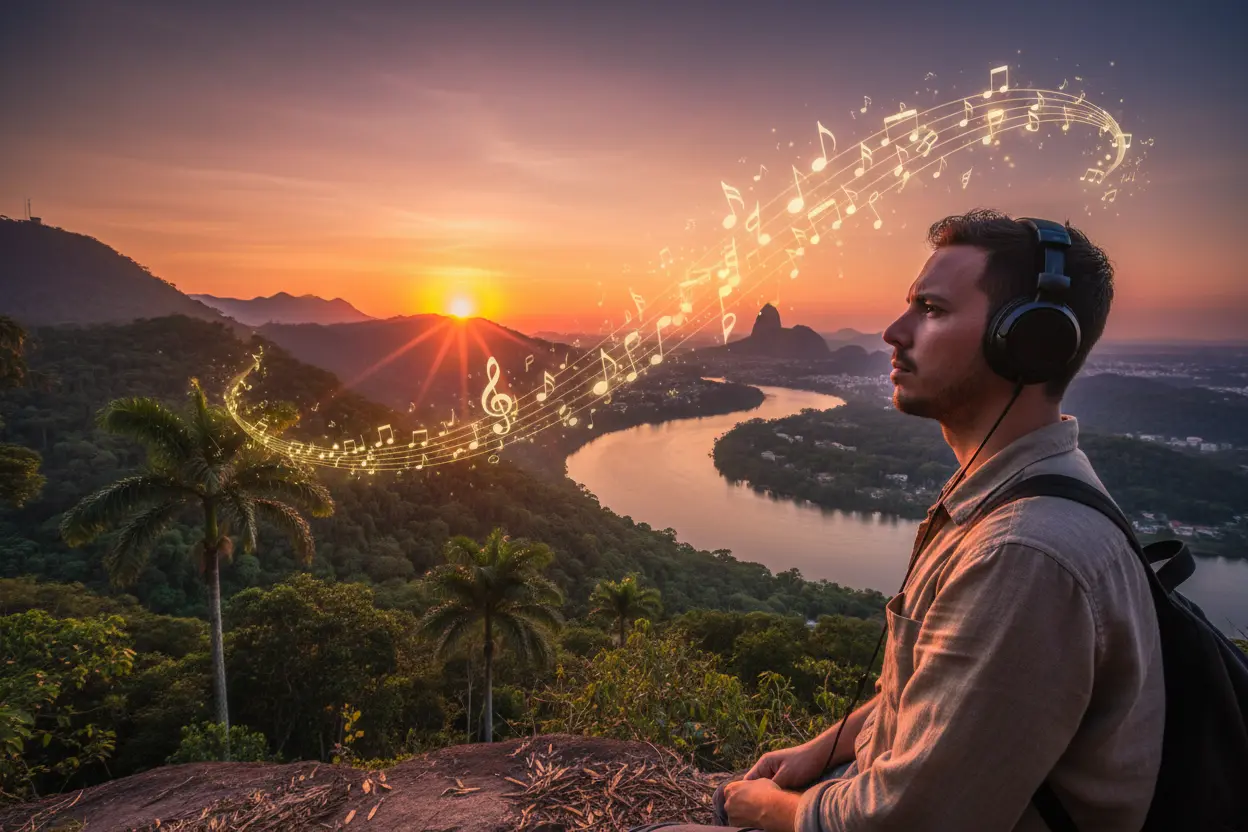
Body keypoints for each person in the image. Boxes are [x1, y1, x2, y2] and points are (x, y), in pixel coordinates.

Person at [629, 209, 1164, 832]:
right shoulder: (1009, 497)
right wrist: (821, 750)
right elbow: (939, 696)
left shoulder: (1024, 556)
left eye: (932, 310)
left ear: (1026, 342)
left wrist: (770, 808)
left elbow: (904, 822)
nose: (892, 331)